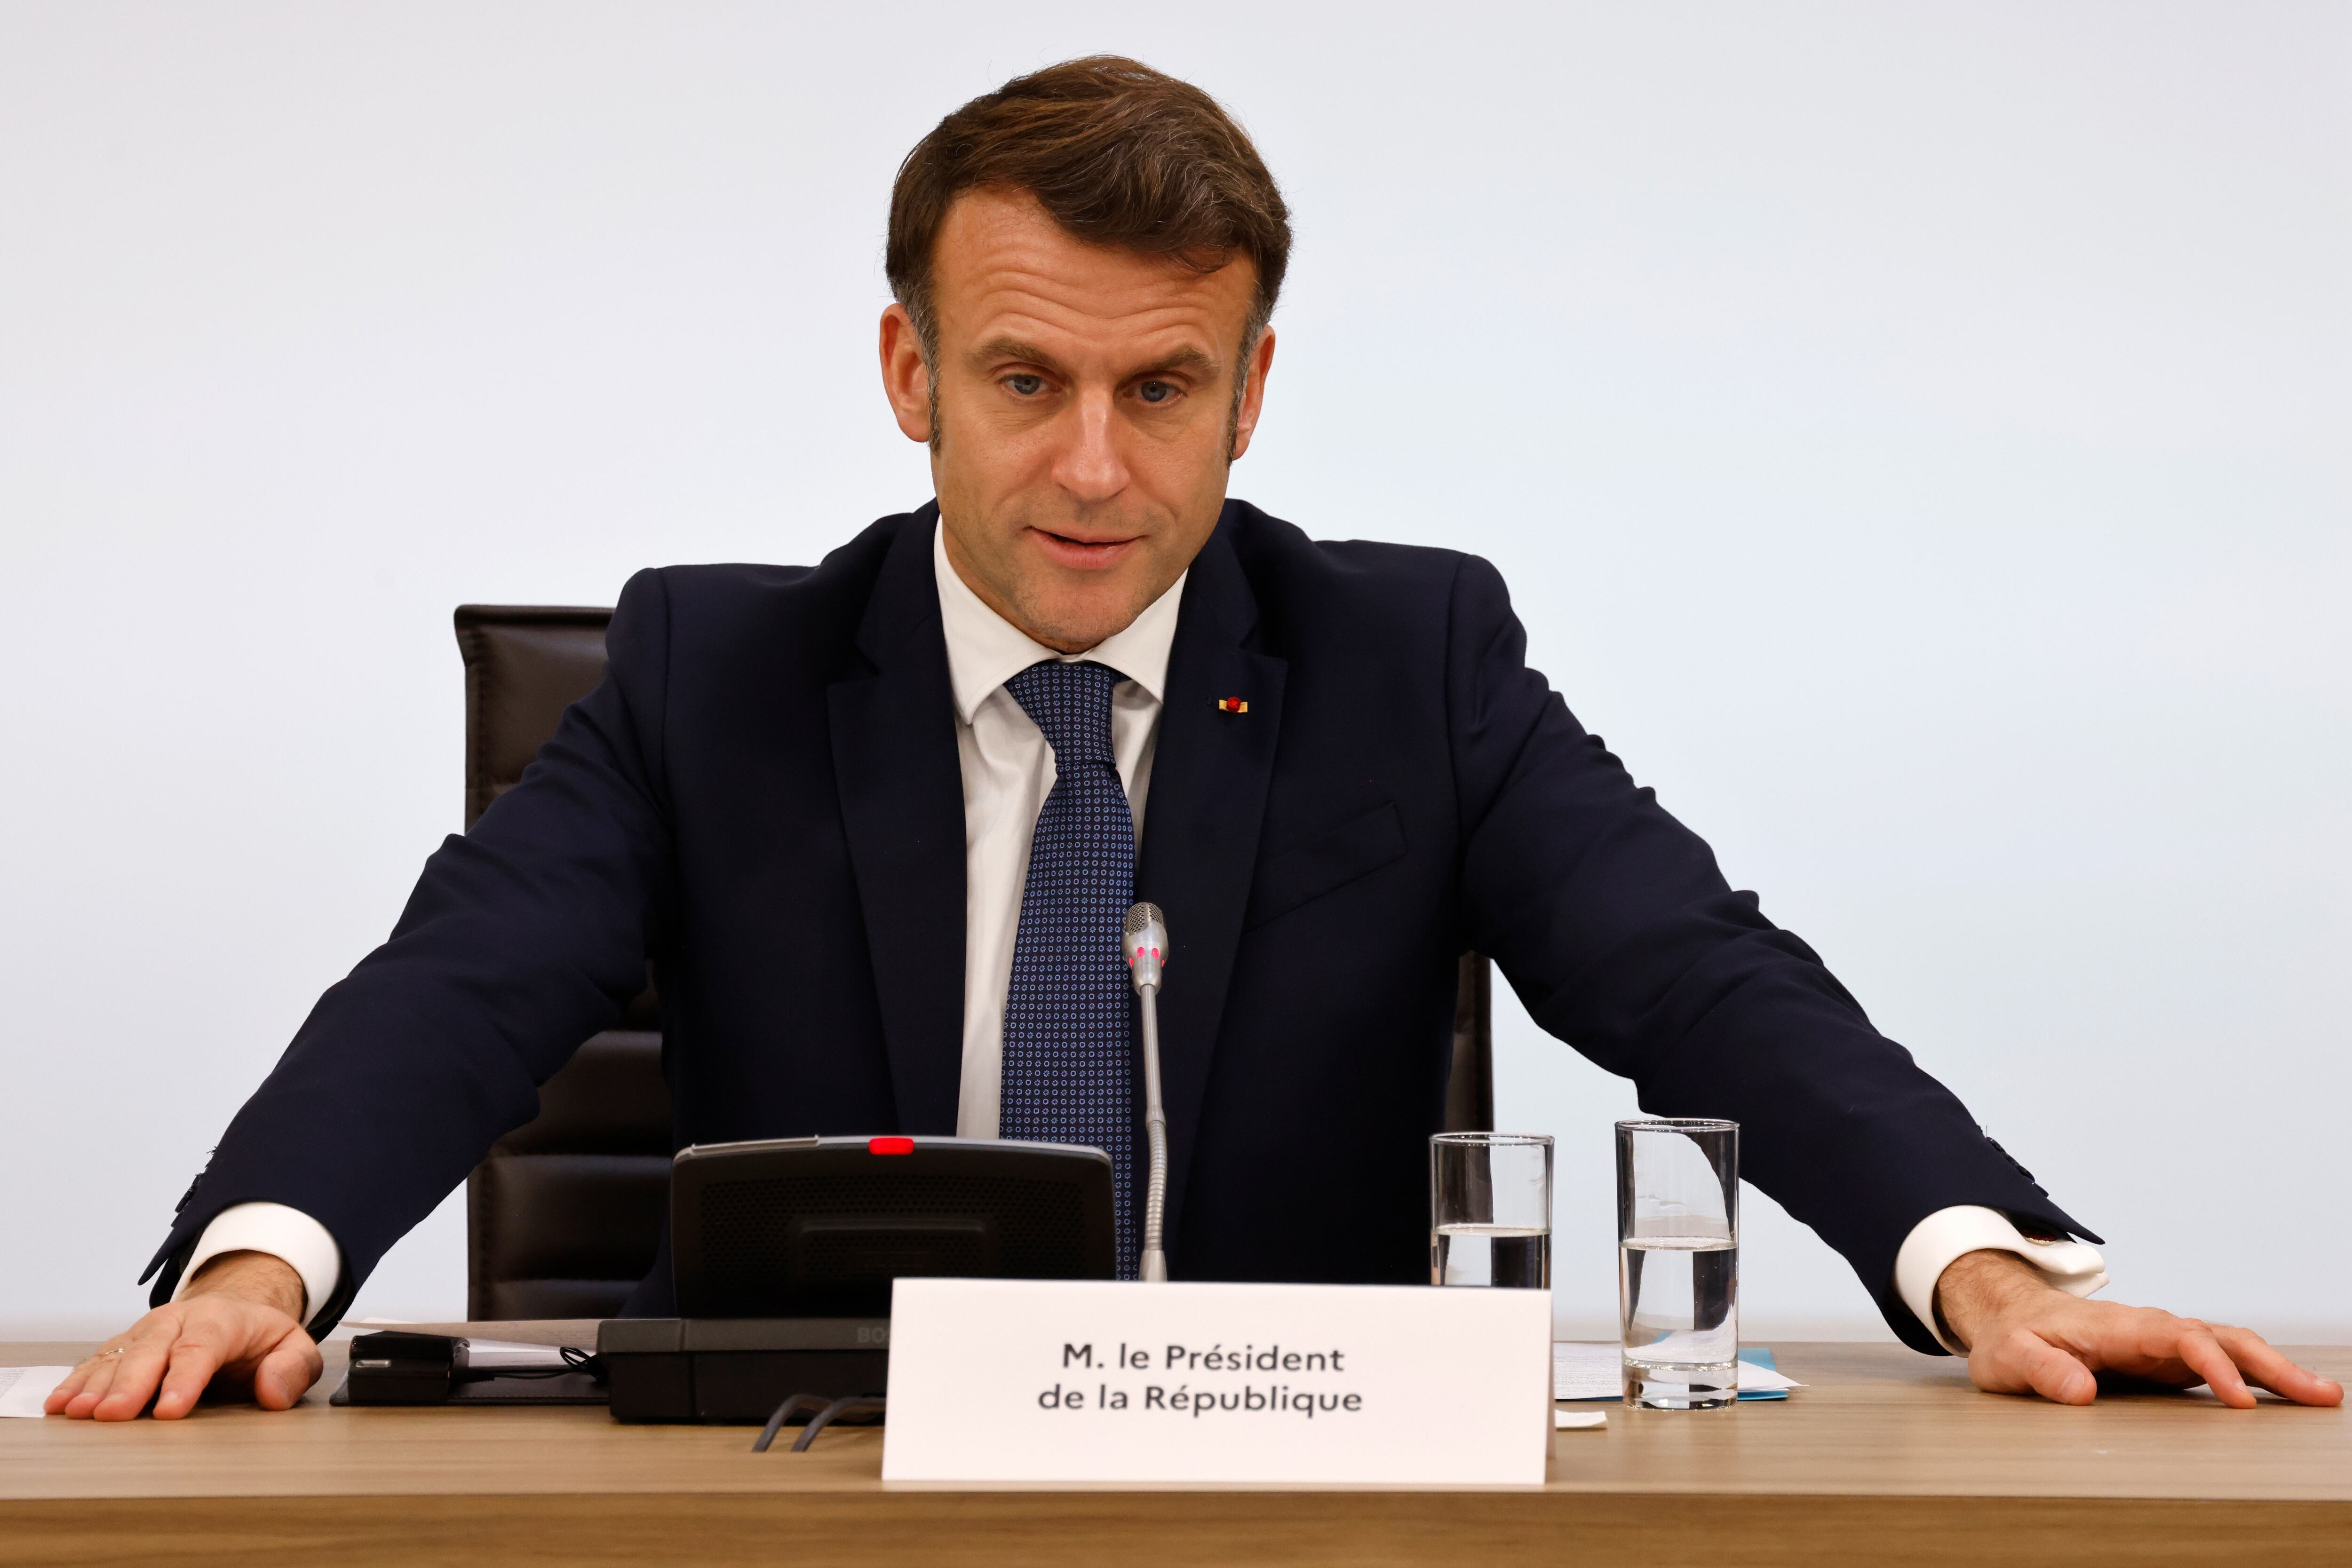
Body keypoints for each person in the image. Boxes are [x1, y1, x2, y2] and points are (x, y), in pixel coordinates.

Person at [53, 56, 2339, 1423]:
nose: (1089, 472)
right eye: (1023, 381)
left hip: (1291, 1484)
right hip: (780, 1483)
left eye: (1160, 394)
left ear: (1250, 392)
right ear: (905, 375)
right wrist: (259, 1271)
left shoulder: (1404, 659)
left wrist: (1988, 1268)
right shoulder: (706, 672)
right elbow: (452, 999)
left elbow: (1694, 974)